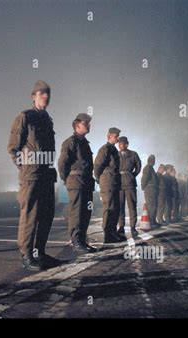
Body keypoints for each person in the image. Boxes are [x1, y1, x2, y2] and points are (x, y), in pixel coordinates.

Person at [7, 80, 58, 271]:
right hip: (31, 176)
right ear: (33, 96)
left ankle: (40, 252)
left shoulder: (47, 119)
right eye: (42, 93)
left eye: (48, 93)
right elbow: (13, 148)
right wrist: (25, 168)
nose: (46, 96)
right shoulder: (25, 117)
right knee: (30, 215)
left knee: (46, 215)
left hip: (46, 174)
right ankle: (27, 255)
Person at [58, 113, 97, 253]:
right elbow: (62, 164)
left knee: (86, 212)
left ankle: (82, 240)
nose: (89, 126)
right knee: (77, 212)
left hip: (86, 181)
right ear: (77, 125)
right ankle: (76, 242)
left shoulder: (84, 142)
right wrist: (67, 179)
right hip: (76, 181)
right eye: (86, 123)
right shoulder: (70, 142)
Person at [94, 127, 123, 243]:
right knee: (109, 208)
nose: (118, 138)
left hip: (114, 183)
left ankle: (112, 232)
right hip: (107, 183)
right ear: (110, 136)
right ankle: (108, 234)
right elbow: (97, 166)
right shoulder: (105, 149)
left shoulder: (113, 150)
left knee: (115, 208)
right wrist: (100, 180)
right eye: (116, 136)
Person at [117, 137, 142, 236]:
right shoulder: (116, 154)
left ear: (126, 144)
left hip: (130, 184)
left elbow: (138, 167)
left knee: (132, 206)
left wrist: (131, 175)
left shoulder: (133, 154)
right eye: (118, 144)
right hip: (119, 184)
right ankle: (121, 227)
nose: (119, 145)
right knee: (120, 207)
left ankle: (133, 227)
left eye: (121, 144)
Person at [141, 155, 159, 228]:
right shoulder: (148, 168)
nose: (154, 161)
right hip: (150, 189)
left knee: (153, 206)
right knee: (151, 206)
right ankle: (152, 222)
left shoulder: (150, 168)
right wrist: (143, 186)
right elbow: (145, 178)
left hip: (152, 189)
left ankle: (153, 221)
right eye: (153, 160)